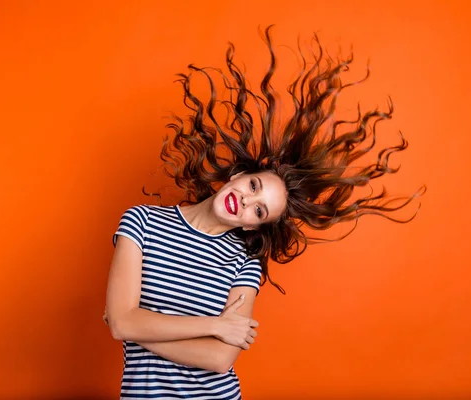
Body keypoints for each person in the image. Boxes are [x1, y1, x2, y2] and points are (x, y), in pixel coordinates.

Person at [104, 26, 424, 399]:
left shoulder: (244, 262)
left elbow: (220, 359)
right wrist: (214, 324)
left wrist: (137, 327)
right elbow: (122, 325)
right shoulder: (141, 222)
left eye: (259, 211)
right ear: (240, 174)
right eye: (253, 187)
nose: (245, 202)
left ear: (255, 224)